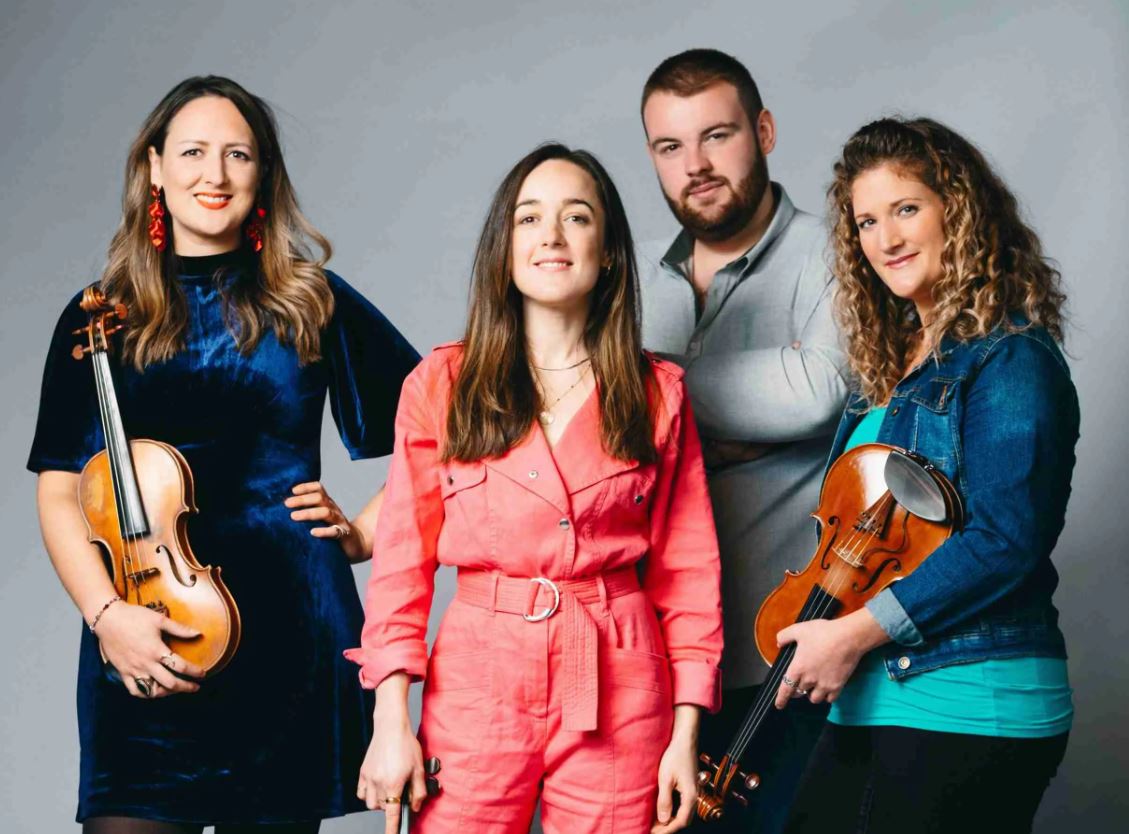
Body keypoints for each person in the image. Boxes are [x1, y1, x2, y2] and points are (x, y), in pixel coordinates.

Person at [29, 76, 420, 833]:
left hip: (290, 642)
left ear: (262, 175)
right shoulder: (102, 316)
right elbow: (58, 491)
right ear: (155, 167)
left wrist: (368, 531)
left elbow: (447, 427)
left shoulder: (311, 299)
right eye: (194, 152)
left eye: (237, 155)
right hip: (144, 631)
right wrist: (106, 616)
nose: (215, 175)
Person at [346, 143, 723, 834]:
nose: (550, 236)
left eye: (576, 218)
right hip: (476, 676)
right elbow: (401, 564)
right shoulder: (441, 384)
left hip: (618, 674)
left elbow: (688, 575)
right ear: (504, 247)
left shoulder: (657, 393)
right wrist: (388, 720)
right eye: (528, 219)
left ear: (606, 250)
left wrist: (684, 731)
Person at [778, 117, 1076, 834]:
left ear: (958, 210)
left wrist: (850, 636)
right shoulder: (885, 373)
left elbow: (1005, 542)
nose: (886, 239)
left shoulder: (1010, 356)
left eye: (906, 208)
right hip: (881, 698)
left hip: (970, 704)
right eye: (867, 221)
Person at [636, 48, 848, 831]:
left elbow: (821, 390)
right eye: (669, 147)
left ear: (761, 131)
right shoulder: (634, 284)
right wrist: (730, 425)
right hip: (657, 665)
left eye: (716, 135)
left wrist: (653, 391)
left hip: (786, 659)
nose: (695, 165)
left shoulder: (837, 254)